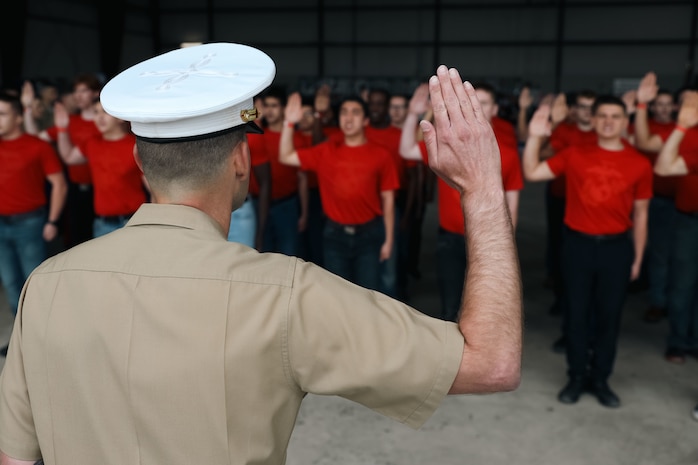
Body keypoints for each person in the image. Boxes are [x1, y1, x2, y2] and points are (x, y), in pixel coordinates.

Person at [0, 45, 521, 465]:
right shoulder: (285, 295)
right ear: (242, 159)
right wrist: (481, 190)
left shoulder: (46, 284)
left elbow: (15, 455)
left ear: (139, 158)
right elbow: (491, 362)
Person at [523, 95, 652, 408]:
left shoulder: (639, 163)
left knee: (609, 318)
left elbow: (642, 214)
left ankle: (601, 379)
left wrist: (636, 257)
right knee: (576, 315)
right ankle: (577, 376)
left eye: (616, 116)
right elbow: (533, 173)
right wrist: (535, 136)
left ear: (625, 123)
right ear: (593, 121)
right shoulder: (575, 153)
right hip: (578, 246)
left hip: (616, 249)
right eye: (603, 116)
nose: (609, 121)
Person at [400, 82, 524, 321]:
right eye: (471, 100)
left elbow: (512, 202)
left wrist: (507, 246)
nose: (475, 106)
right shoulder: (447, 144)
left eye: (483, 102)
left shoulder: (506, 152)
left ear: (495, 109)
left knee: (484, 312)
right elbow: (406, 150)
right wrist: (413, 114)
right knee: (450, 308)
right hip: (450, 240)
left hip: (488, 240)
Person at [279, 93, 398, 291]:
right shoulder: (326, 150)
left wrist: (389, 240)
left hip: (369, 235)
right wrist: (288, 124)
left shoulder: (381, 155)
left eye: (355, 113)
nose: (348, 118)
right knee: (338, 295)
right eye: (344, 112)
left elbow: (388, 199)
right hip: (335, 235)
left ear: (365, 120)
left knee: (368, 294)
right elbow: (286, 156)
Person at [0, 91, 67, 356]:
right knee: (11, 285)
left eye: (3, 113)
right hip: (1, 226)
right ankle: (22, 340)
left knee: (34, 285)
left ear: (18, 117)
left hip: (30, 224)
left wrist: (52, 221)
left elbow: (59, 184)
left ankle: (43, 341)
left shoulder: (37, 146)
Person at [23, 73, 102, 247]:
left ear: (96, 93)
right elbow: (34, 139)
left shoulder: (105, 122)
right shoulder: (69, 121)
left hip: (103, 190)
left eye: (83, 91)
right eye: (75, 91)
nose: (77, 95)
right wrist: (28, 109)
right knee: (75, 241)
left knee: (102, 241)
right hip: (74, 189)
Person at [53, 98, 148, 237]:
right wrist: (62, 129)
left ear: (120, 118)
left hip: (134, 221)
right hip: (102, 223)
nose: (100, 117)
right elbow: (68, 157)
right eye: (96, 112)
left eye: (105, 112)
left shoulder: (136, 146)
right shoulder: (92, 143)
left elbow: (153, 188)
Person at [653, 90, 698, 365]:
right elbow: (664, 166)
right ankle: (679, 341)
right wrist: (682, 126)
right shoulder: (690, 138)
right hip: (689, 221)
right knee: (682, 284)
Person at [633, 72, 679, 325]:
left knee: (669, 254)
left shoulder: (680, 129)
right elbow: (640, 141)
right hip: (651, 199)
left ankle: (663, 298)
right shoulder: (645, 126)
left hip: (678, 201)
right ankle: (657, 300)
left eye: (667, 104)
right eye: (657, 104)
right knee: (655, 251)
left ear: (674, 107)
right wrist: (640, 105)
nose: (662, 109)